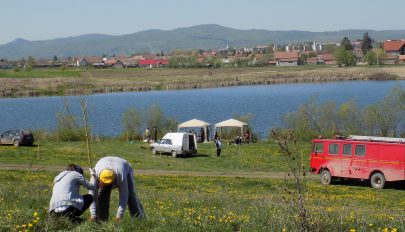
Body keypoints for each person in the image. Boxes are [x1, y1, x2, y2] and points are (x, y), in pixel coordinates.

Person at [90, 157, 145, 221]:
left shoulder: (121, 175)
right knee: (102, 195)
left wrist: (119, 216)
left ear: (114, 178)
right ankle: (102, 220)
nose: (109, 187)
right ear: (99, 180)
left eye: (110, 184)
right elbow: (92, 196)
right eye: (105, 184)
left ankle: (139, 220)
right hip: (104, 162)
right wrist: (93, 215)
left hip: (124, 166)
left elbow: (124, 196)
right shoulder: (94, 177)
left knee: (131, 196)